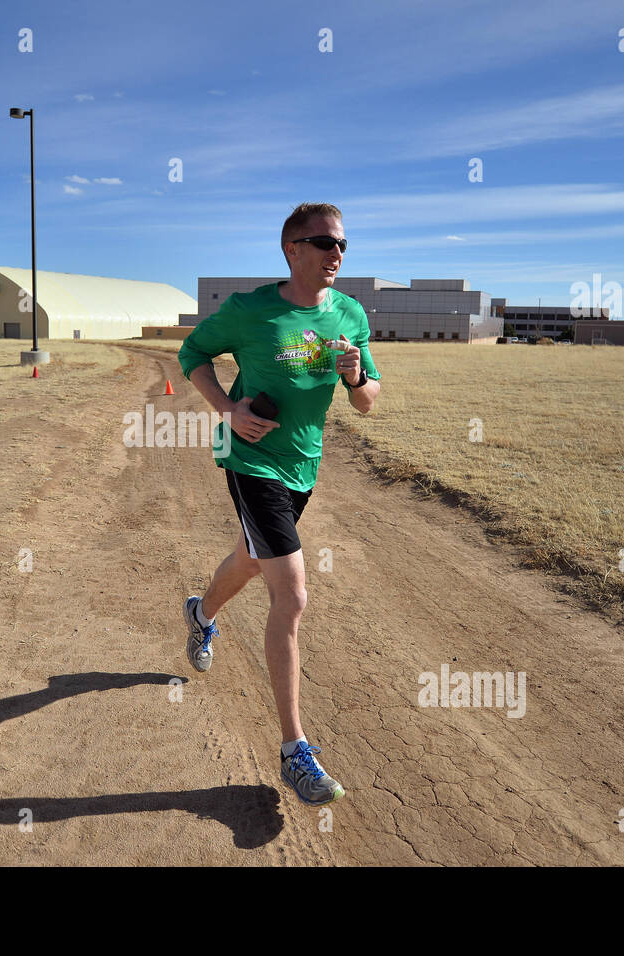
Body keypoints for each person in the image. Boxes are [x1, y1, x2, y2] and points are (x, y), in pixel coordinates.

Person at [177, 202, 381, 807]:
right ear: (292, 249)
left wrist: (353, 378)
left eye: (343, 244)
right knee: (291, 593)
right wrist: (227, 411)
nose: (335, 253)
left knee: (251, 557)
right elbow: (192, 356)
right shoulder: (249, 309)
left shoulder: (349, 313)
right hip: (250, 459)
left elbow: (370, 401)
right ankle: (295, 752)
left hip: (303, 463)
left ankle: (200, 612)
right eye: (322, 243)